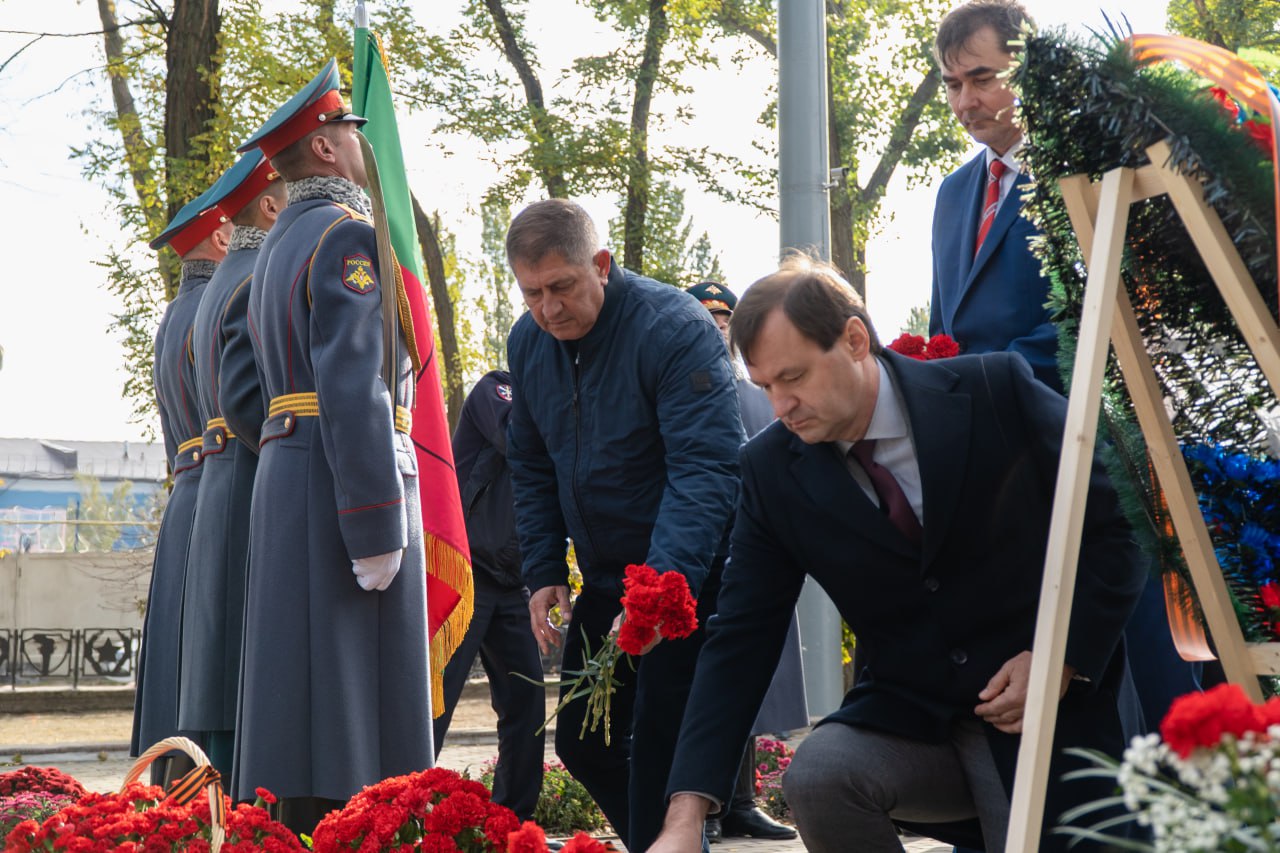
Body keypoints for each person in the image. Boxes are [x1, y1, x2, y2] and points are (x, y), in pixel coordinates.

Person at [649, 256, 1146, 853]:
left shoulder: (995, 389)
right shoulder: (769, 470)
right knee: (819, 773)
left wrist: (1060, 656)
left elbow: (1122, 519)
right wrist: (684, 817)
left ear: (855, 339)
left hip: (1046, 707)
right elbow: (740, 638)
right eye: (765, 387)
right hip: (912, 720)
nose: (780, 405)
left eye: (794, 377)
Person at [930, 0, 1202, 740]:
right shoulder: (954, 195)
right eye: (952, 84)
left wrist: (972, 387)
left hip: (1105, 462)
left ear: (1027, 69)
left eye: (981, 78)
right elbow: (944, 329)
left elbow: (1090, 324)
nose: (965, 102)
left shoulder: (1086, 171)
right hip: (1004, 481)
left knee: (1154, 680)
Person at [505, 199, 742, 853]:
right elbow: (529, 462)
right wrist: (545, 569)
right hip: (609, 575)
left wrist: (659, 592)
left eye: (562, 287)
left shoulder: (673, 328)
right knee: (583, 739)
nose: (549, 309)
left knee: (656, 753)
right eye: (532, 294)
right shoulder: (528, 343)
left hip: (688, 582)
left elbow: (706, 471)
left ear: (601, 265)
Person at [231, 59, 432, 833]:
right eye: (350, 127)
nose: (361, 139)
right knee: (351, 701)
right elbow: (355, 386)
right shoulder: (347, 235)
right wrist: (379, 522)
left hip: (290, 474)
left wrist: (284, 442)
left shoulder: (276, 242)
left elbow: (247, 390)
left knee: (295, 700)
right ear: (323, 148)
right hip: (341, 482)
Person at [178, 150, 284, 780]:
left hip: (209, 478)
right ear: (267, 206)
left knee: (213, 668)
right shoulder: (247, 279)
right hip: (244, 476)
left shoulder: (218, 283)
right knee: (232, 673)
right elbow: (248, 401)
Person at [685, 281, 803, 844]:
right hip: (697, 554)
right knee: (704, 682)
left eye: (724, 316)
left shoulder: (759, 389)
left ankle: (739, 801)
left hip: (758, 551)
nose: (717, 324)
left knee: (751, 675)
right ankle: (700, 805)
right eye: (705, 315)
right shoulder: (680, 389)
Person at [131, 184, 233, 784]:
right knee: (205, 661)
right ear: (222, 237)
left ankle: (176, 787)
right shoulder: (218, 303)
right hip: (216, 491)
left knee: (178, 656)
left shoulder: (176, 314)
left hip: (186, 492)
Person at [432, 370, 546, 824]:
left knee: (527, 704)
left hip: (514, 580)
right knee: (435, 702)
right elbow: (520, 441)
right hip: (466, 570)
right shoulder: (497, 389)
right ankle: (398, 812)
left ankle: (512, 823)